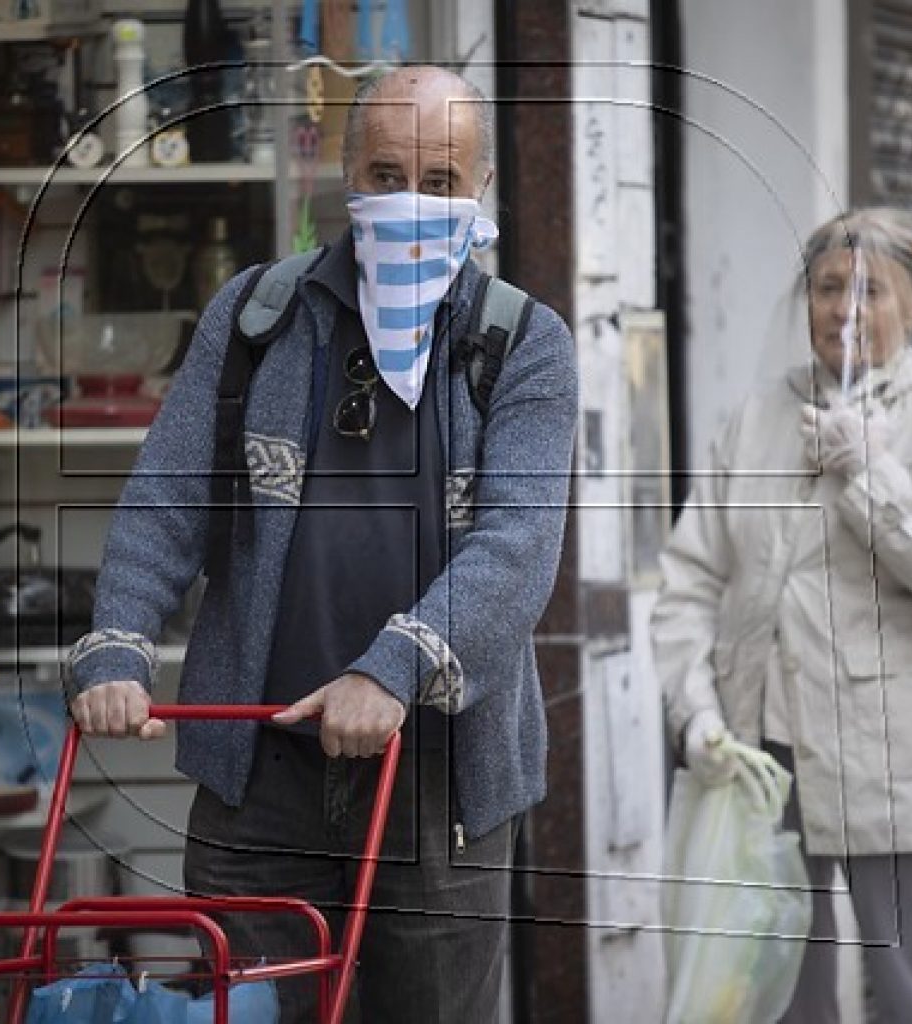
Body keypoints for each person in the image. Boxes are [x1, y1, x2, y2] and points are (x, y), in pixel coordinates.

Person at [66, 66, 577, 1023]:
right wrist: (119, 643)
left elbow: (518, 549)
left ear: (481, 191)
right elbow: (168, 500)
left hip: (439, 790)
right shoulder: (259, 316)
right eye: (386, 174)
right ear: (345, 176)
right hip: (261, 777)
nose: (412, 203)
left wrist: (390, 672)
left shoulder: (523, 344)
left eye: (440, 181)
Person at [651, 207, 912, 1022]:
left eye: (872, 291)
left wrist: (872, 474)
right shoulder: (757, 415)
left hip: (898, 759)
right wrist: (697, 716)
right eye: (829, 288)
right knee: (779, 997)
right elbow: (690, 580)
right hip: (764, 754)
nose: (846, 309)